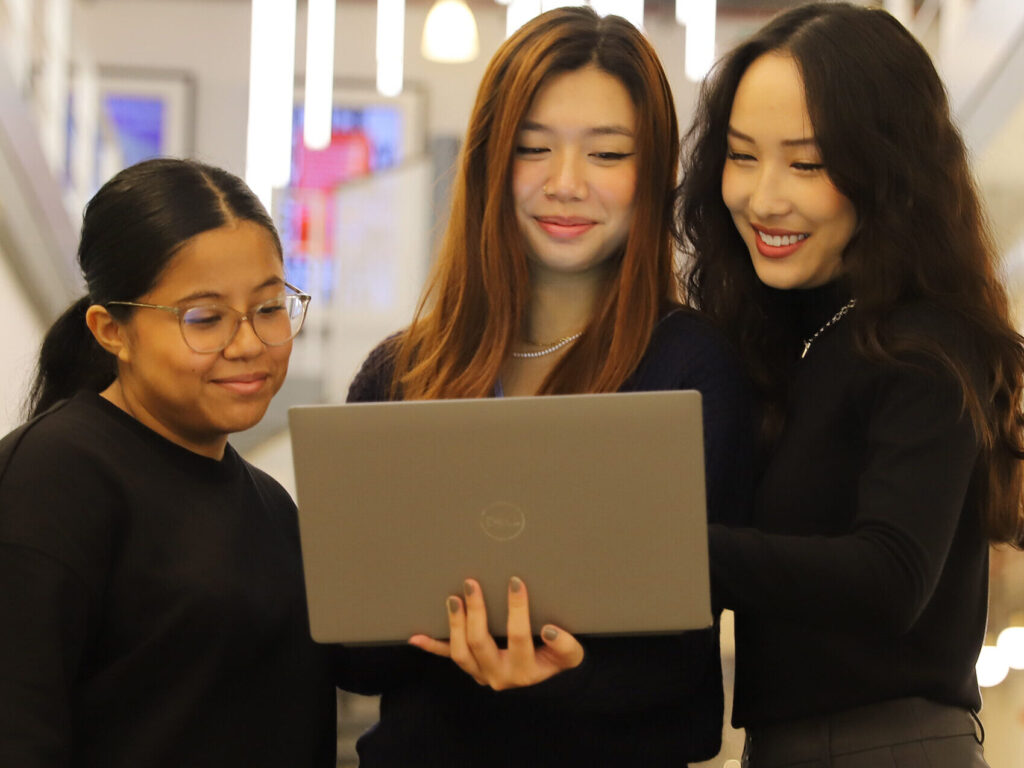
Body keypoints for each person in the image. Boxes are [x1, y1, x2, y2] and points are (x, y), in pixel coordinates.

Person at [340, 6, 751, 767]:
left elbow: (683, 662)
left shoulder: (692, 373)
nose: (566, 185)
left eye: (607, 154)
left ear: (655, 173)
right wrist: (446, 633)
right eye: (534, 148)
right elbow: (353, 655)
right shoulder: (402, 372)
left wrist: (558, 672)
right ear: (491, 162)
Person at [677, 3, 1024, 766]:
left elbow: (890, 575)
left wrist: (665, 545)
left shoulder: (925, 341)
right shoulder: (783, 345)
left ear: (888, 169)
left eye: (807, 164)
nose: (765, 198)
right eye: (741, 156)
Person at [0, 158, 338, 766]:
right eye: (204, 319)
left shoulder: (270, 505)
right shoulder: (54, 477)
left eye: (268, 309)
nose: (248, 345)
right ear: (112, 331)